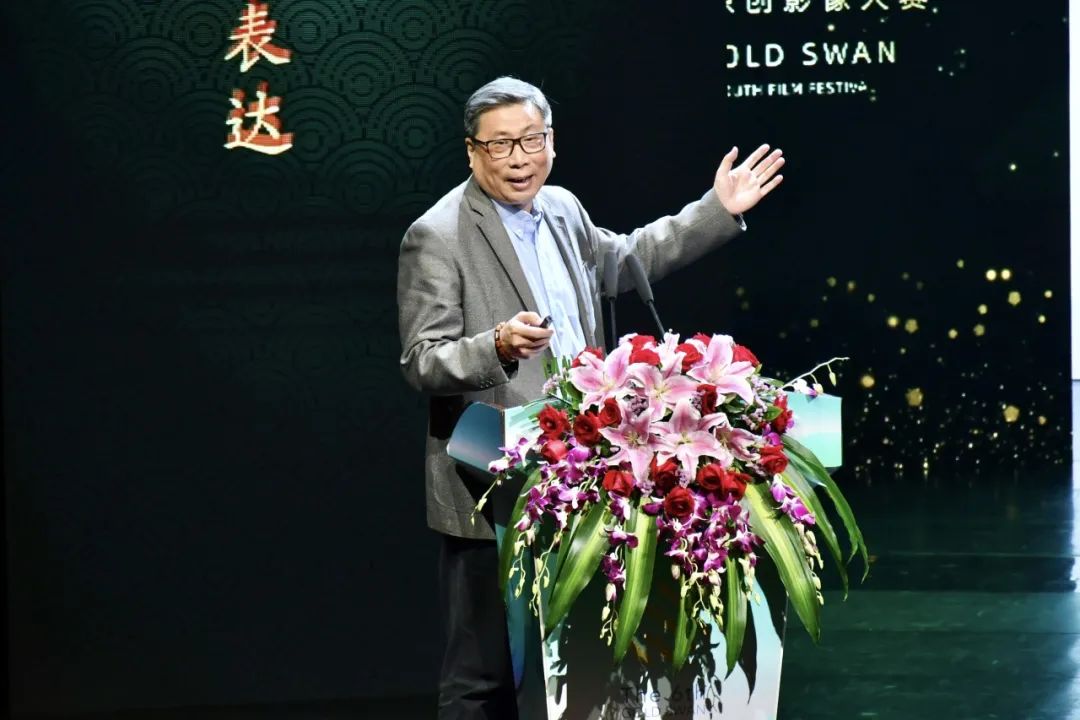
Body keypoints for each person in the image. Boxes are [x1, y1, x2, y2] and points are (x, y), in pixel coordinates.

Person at [397, 76, 784, 720]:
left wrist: (714, 210)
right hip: (493, 481)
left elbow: (627, 258)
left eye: (532, 140)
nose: (519, 158)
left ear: (552, 142)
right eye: (500, 145)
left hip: (583, 476)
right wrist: (496, 345)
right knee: (483, 674)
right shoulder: (437, 234)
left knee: (577, 667)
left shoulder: (562, 209)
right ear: (472, 151)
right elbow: (422, 360)